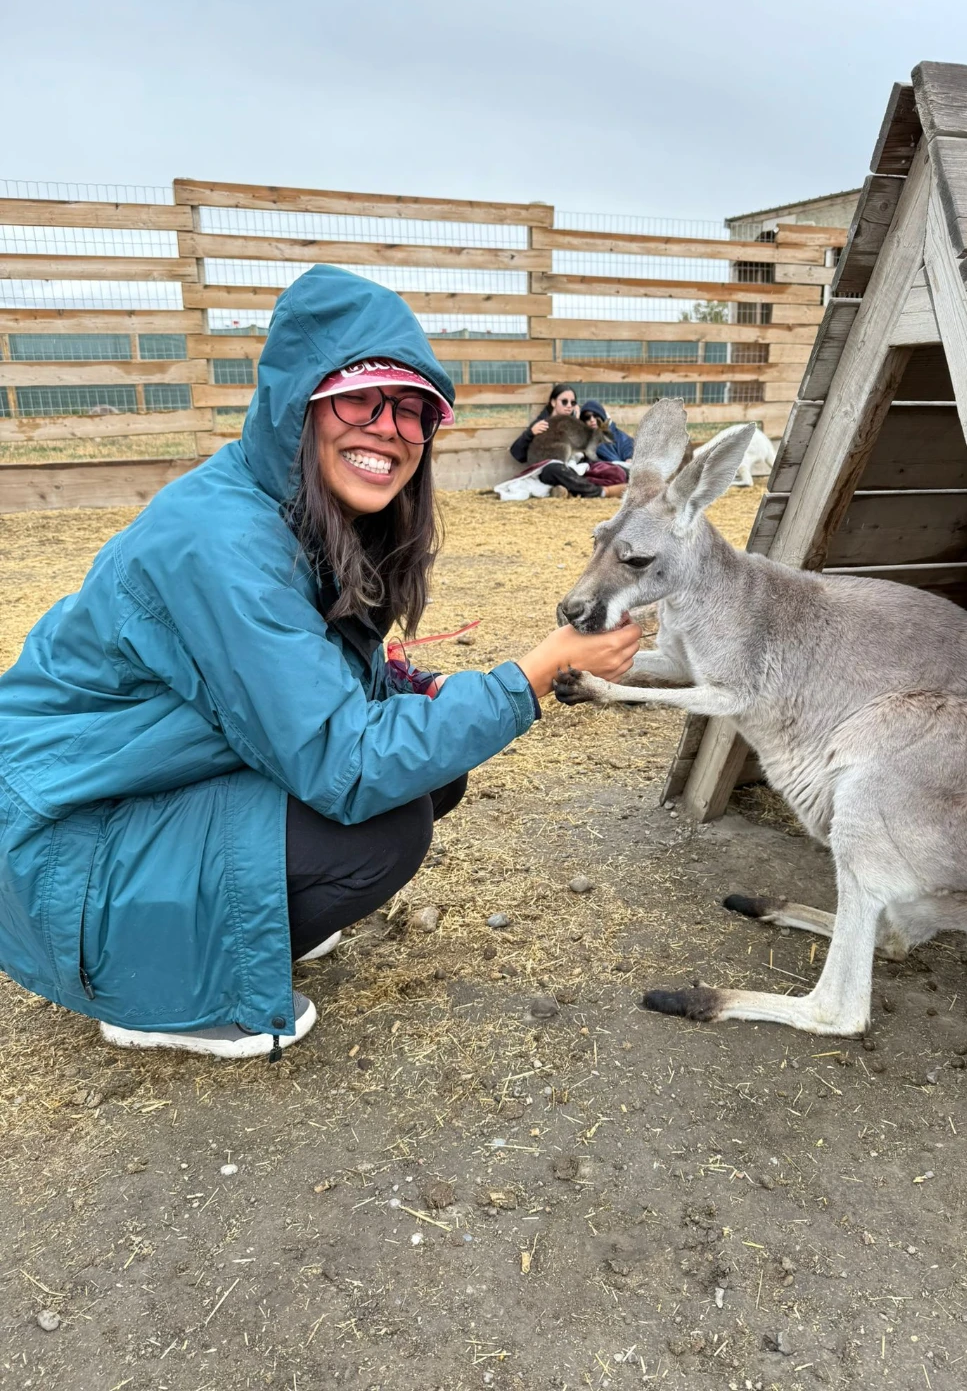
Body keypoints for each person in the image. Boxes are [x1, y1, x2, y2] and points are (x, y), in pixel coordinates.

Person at [0, 267, 641, 1060]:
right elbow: (344, 764)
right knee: (380, 828)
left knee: (432, 769)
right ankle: (158, 996)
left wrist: (416, 684)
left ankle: (239, 930)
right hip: (65, 850)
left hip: (128, 798)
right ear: (295, 400)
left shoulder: (295, 511)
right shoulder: (220, 540)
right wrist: (534, 672)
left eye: (413, 410)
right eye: (360, 397)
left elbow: (305, 677)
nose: (388, 428)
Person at [507, 385, 624, 499]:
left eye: (572, 403)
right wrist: (530, 433)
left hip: (571, 466)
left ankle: (564, 490)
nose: (569, 406)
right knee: (557, 469)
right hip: (549, 466)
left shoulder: (574, 421)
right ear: (553, 402)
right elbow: (517, 453)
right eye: (564, 402)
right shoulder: (542, 423)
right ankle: (601, 492)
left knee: (608, 469)